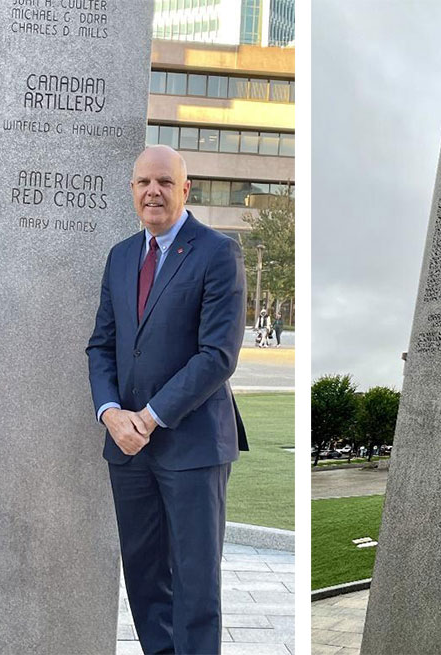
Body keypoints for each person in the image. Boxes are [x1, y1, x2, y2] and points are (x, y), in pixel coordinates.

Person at [86, 145, 248, 655]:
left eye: (163, 182)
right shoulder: (121, 256)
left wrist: (150, 418)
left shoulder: (218, 252)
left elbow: (217, 355)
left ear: (185, 190)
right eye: (142, 183)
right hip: (127, 449)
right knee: (145, 579)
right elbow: (102, 345)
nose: (152, 191)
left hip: (193, 447)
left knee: (196, 586)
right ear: (132, 190)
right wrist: (111, 413)